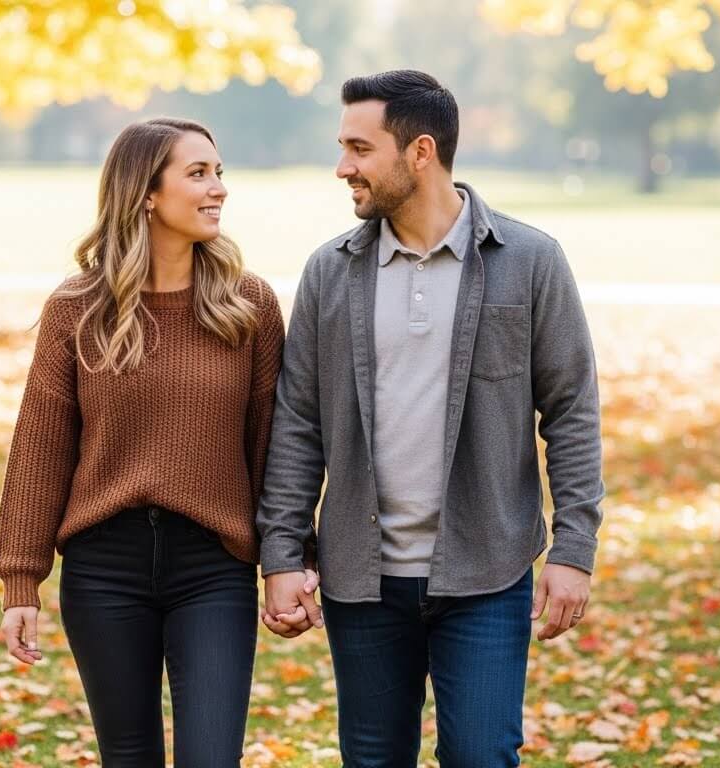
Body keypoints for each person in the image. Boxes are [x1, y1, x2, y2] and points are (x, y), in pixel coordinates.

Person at [257, 70, 606, 767]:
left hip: (486, 570)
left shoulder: (529, 261)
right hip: (362, 579)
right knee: (372, 758)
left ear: (420, 152)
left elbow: (570, 411)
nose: (342, 167)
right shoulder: (330, 271)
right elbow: (297, 422)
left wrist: (572, 550)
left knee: (482, 756)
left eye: (359, 148)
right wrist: (282, 554)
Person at [0, 117, 309, 767]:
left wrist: (289, 557)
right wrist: (20, 583)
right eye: (198, 173)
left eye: (219, 172)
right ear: (145, 193)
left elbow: (274, 448)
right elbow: (41, 447)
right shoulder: (76, 308)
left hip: (212, 569)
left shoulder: (247, 306)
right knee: (128, 755)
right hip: (103, 568)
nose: (217, 187)